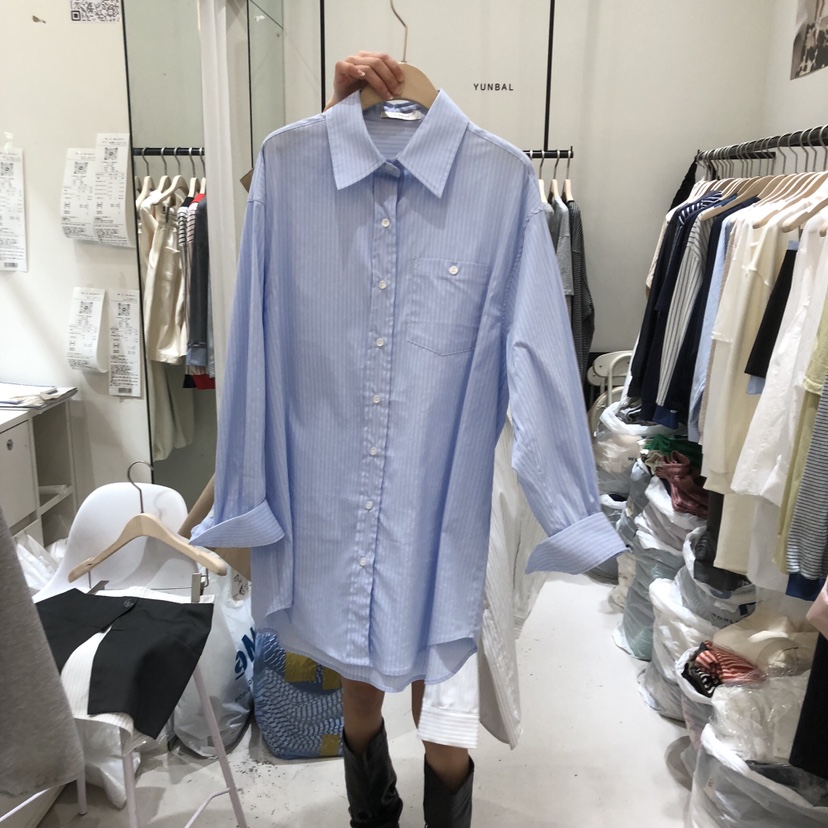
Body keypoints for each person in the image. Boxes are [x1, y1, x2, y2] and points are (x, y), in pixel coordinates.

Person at [325, 51, 476, 828]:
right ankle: (372, 814)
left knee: (444, 700)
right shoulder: (300, 170)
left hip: (448, 488)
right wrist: (336, 120)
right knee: (358, 676)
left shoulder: (493, 185)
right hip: (343, 475)